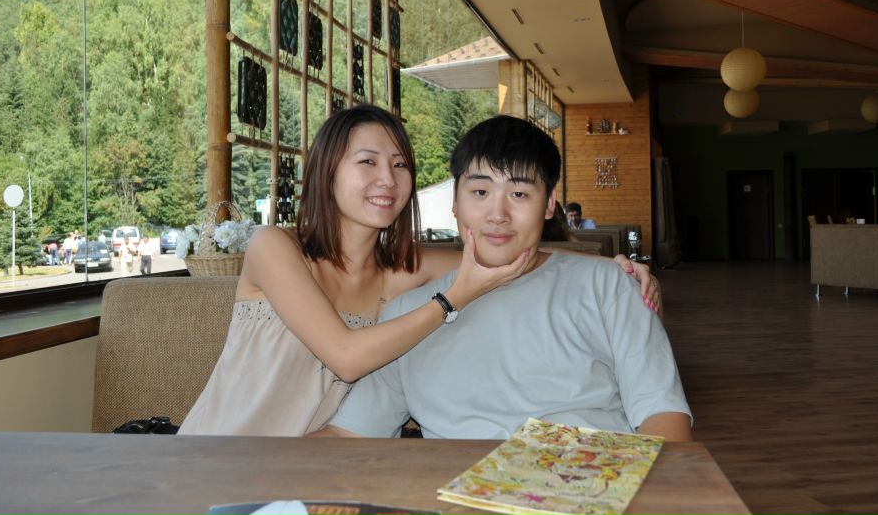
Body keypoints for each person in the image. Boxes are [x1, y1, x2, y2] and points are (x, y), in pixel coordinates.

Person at [179, 105, 658, 437]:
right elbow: (345, 357)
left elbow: (509, 254)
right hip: (223, 451)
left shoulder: (399, 272)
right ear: (327, 171)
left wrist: (609, 265)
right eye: (367, 162)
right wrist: (451, 300)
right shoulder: (274, 246)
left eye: (399, 165)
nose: (387, 179)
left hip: (320, 463)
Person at [318, 116, 691, 441]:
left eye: (519, 194)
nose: (498, 214)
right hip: (457, 492)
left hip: (589, 482)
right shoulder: (408, 317)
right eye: (480, 192)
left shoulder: (608, 286)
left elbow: (663, 413)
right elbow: (350, 433)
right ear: (455, 202)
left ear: (549, 204)